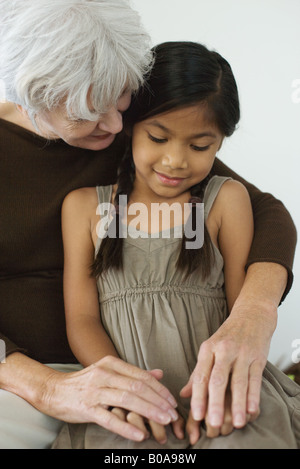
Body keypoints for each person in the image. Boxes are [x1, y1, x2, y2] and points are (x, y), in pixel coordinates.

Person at [0, 0, 297, 449]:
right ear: (32, 96)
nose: (118, 124)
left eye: (121, 102)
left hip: (154, 375)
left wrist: (254, 315)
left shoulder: (138, 135)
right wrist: (42, 385)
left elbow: (267, 213)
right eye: (89, 113)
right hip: (28, 373)